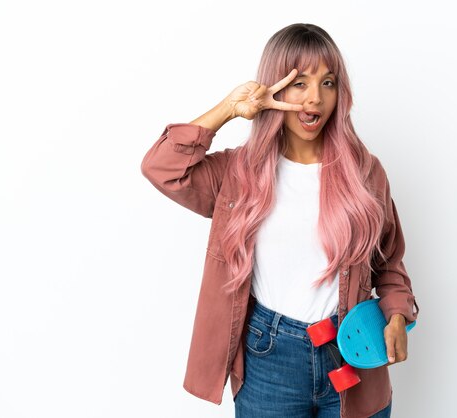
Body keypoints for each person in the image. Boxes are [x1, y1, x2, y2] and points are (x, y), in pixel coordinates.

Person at [141, 23, 419, 418]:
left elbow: (389, 264)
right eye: (299, 83)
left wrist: (396, 314)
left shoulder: (365, 172)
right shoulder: (238, 174)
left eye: (327, 82)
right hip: (269, 360)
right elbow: (162, 168)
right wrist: (228, 109)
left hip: (353, 355)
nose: (315, 99)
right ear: (274, 88)